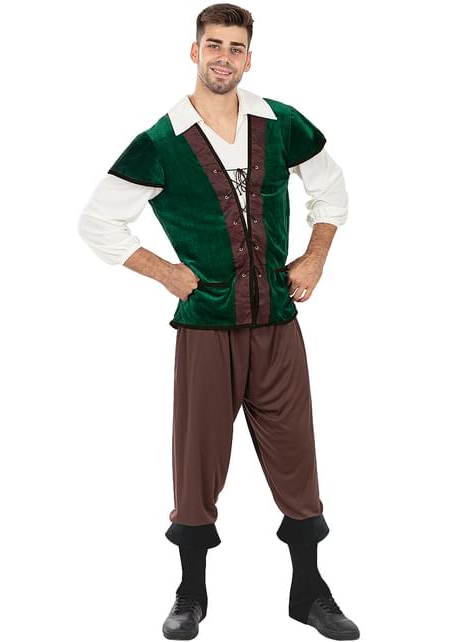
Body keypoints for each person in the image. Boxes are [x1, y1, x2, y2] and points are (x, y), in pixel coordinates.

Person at [78, 3, 360, 640]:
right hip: (206, 329)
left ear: (249, 58)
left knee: (297, 455)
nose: (224, 57)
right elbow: (97, 223)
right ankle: (191, 592)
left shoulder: (279, 122)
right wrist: (167, 273)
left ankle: (309, 591)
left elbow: (331, 190)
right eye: (214, 45)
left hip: (278, 325)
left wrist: (315, 257)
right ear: (195, 52)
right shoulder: (161, 141)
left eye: (235, 47)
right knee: (197, 460)